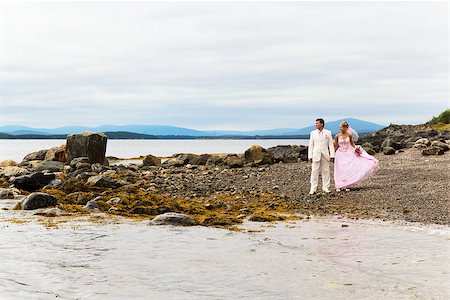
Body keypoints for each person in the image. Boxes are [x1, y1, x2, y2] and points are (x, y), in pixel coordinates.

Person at [334, 121, 379, 191]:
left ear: (345, 128)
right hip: (340, 154)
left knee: (348, 169)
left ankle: (346, 185)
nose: (340, 128)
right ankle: (339, 185)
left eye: (341, 127)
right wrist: (332, 155)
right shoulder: (337, 136)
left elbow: (352, 144)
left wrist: (357, 150)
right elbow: (336, 146)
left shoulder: (349, 135)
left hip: (348, 152)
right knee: (340, 169)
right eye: (339, 127)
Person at [308, 118, 335, 194]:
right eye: (316, 123)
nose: (316, 124)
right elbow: (311, 145)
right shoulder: (313, 133)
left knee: (326, 171)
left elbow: (330, 144)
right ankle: (313, 188)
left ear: (322, 124)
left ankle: (326, 187)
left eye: (317, 123)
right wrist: (310, 156)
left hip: (325, 154)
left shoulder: (328, 132)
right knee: (314, 171)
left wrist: (332, 155)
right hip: (316, 154)